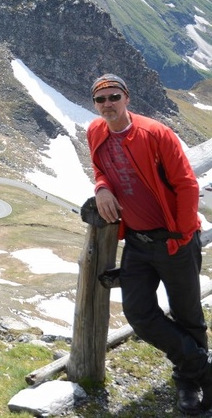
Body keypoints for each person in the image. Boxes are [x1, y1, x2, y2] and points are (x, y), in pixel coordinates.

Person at [86, 73, 208, 415]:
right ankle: (204, 369)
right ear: (94, 104)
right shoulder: (96, 131)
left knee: (188, 316)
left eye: (114, 97)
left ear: (127, 98)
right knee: (139, 314)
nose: (108, 104)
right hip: (138, 243)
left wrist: (181, 236)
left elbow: (186, 185)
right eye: (101, 99)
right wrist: (102, 187)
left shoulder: (155, 133)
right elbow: (99, 167)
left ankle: (189, 382)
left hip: (174, 241)